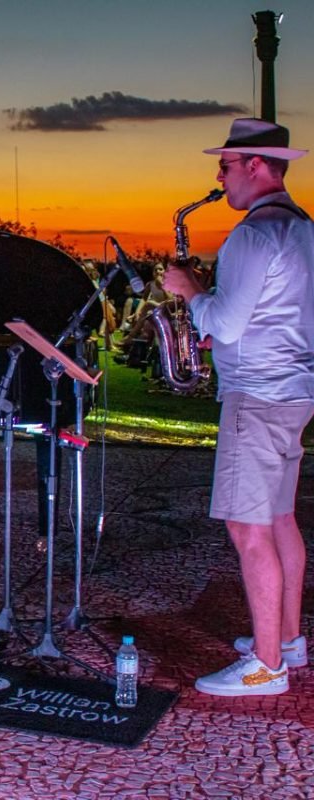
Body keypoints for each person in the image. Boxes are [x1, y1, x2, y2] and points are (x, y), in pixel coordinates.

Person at [163, 118, 314, 697]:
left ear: (256, 165)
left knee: (247, 527)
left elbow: (225, 320)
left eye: (225, 166)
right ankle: (290, 641)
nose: (218, 177)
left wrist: (190, 292)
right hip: (294, 391)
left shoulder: (252, 234)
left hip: (256, 396)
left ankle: (266, 666)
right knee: (280, 518)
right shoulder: (300, 227)